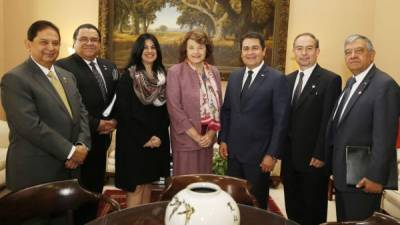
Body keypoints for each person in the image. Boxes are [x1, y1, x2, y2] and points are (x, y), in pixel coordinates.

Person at [0, 20, 91, 224]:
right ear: (28, 44)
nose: (51, 48)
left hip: (68, 170)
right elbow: (30, 126)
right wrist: (70, 151)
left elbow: (81, 113)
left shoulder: (67, 77)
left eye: (55, 43)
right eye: (44, 42)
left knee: (65, 220)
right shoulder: (15, 79)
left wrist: (82, 145)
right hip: (35, 172)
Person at [326, 34, 399, 221]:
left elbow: (384, 137)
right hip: (345, 176)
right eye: (348, 52)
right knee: (347, 220)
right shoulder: (351, 82)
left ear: (372, 55)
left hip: (363, 178)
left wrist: (376, 177)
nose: (352, 56)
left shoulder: (385, 85)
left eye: (359, 51)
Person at [219, 32, 291, 209]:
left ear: (264, 51)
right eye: (246, 49)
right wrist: (223, 139)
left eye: (254, 48)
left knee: (256, 204)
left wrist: (272, 154)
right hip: (233, 154)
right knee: (234, 202)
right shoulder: (235, 76)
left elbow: (281, 120)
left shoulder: (277, 78)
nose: (250, 52)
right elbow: (227, 111)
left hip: (259, 157)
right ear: (241, 52)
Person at [56, 23, 118, 224]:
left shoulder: (109, 66)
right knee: (75, 196)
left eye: (94, 39)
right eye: (84, 39)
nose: (90, 43)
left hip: (102, 141)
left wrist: (114, 120)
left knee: (94, 190)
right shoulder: (62, 67)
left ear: (99, 43)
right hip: (76, 143)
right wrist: (95, 124)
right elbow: (66, 108)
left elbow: (116, 98)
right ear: (74, 42)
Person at [282, 33, 341, 225]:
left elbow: (329, 121)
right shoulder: (287, 80)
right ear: (294, 52)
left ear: (317, 52)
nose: (304, 53)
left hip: (313, 159)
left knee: (312, 211)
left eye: (309, 48)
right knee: (292, 207)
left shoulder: (330, 80)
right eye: (299, 48)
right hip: (289, 158)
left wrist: (322, 153)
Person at [115, 33, 170, 207]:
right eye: (145, 47)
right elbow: (123, 113)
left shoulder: (162, 77)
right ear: (138, 51)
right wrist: (145, 138)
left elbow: (166, 112)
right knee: (136, 187)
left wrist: (159, 135)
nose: (149, 51)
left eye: (153, 47)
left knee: (148, 185)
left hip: (156, 141)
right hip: (134, 142)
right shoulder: (128, 77)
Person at [167, 30, 222, 175]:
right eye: (191, 47)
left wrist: (210, 134)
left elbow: (218, 106)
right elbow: (174, 109)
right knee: (186, 186)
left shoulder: (214, 72)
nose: (196, 52)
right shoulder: (175, 72)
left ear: (206, 50)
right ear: (185, 49)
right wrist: (196, 137)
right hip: (186, 139)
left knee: (203, 184)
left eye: (200, 47)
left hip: (207, 140)